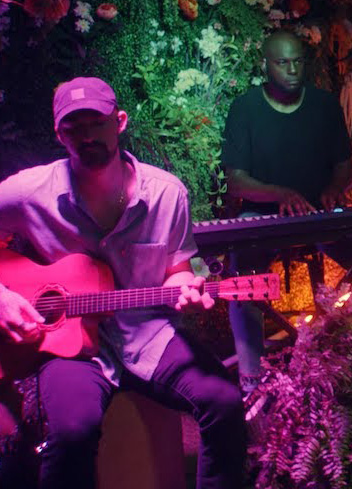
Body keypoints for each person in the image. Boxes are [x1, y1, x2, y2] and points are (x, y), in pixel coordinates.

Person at [0, 77, 245, 489]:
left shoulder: (168, 194)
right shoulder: (29, 192)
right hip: (69, 350)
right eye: (73, 127)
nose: (86, 136)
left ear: (119, 122)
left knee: (223, 401)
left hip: (149, 336)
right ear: (59, 134)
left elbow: (179, 269)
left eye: (95, 122)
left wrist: (187, 286)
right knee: (73, 430)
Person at [221, 30, 352, 394]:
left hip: (320, 213)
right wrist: (280, 194)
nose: (292, 70)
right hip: (263, 215)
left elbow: (343, 166)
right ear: (266, 65)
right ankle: (251, 380)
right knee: (240, 274)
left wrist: (333, 190)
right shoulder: (245, 108)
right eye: (283, 63)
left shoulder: (323, 105)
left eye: (298, 62)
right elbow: (237, 181)